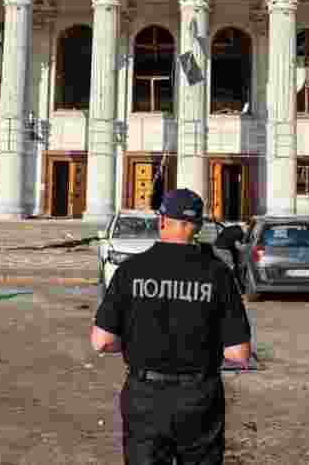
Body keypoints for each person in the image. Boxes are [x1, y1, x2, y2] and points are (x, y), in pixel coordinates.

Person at [91, 189, 251, 464]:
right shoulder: (219, 275)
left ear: (162, 220)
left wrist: (132, 343)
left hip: (145, 396)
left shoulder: (131, 270)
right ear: (198, 227)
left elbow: (101, 341)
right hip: (199, 397)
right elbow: (238, 353)